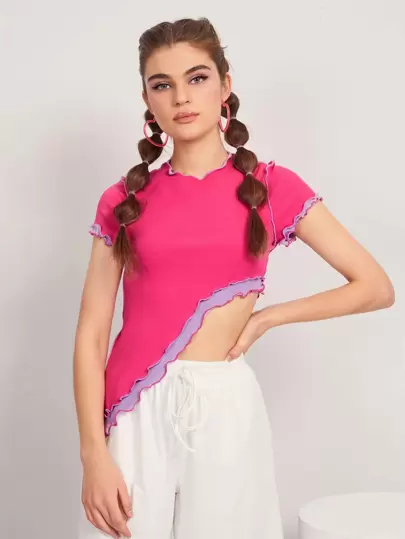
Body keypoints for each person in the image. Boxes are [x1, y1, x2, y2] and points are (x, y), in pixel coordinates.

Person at [73, 17, 395, 539]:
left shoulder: (270, 187)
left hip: (225, 405)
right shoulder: (123, 201)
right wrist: (93, 454)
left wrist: (269, 318)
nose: (181, 97)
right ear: (147, 100)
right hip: (133, 411)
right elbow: (91, 334)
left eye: (197, 78)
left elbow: (375, 287)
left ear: (225, 86)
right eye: (162, 84)